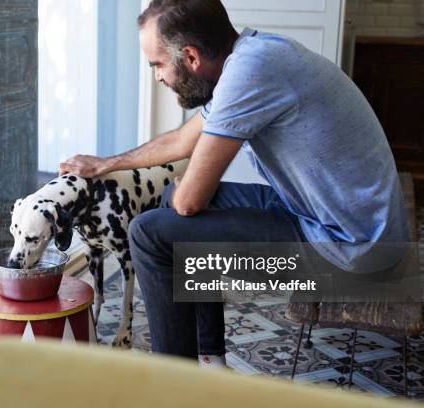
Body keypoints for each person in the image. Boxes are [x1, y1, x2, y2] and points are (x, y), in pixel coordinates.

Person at [58, 0, 408, 367]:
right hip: (328, 218)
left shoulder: (250, 72)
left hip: (356, 251)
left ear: (190, 57)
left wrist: (184, 193)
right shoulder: (253, 57)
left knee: (149, 232)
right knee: (167, 202)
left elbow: (190, 201)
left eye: (157, 64)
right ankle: (210, 360)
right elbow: (181, 141)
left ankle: (174, 384)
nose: (157, 77)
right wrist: (105, 164)